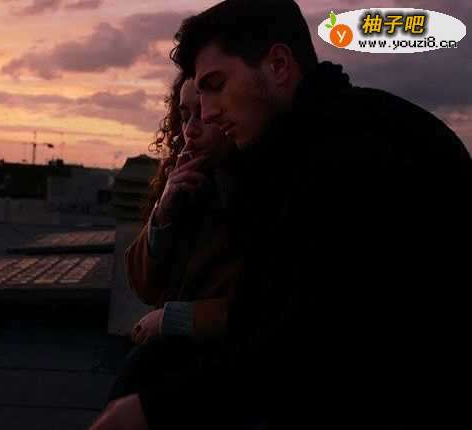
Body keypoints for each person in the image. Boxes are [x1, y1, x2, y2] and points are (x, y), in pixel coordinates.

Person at [88, 1, 471, 428]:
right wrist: (164, 214)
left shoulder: (351, 153)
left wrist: (152, 408)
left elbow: (303, 335)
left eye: (216, 85)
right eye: (190, 108)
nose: (206, 115)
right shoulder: (309, 143)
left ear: (278, 65)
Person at [89, 74, 242, 430]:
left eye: (203, 113)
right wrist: (163, 213)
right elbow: (143, 285)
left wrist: (171, 318)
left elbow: (264, 309)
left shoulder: (258, 195)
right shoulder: (194, 185)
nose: (190, 130)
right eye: (184, 116)